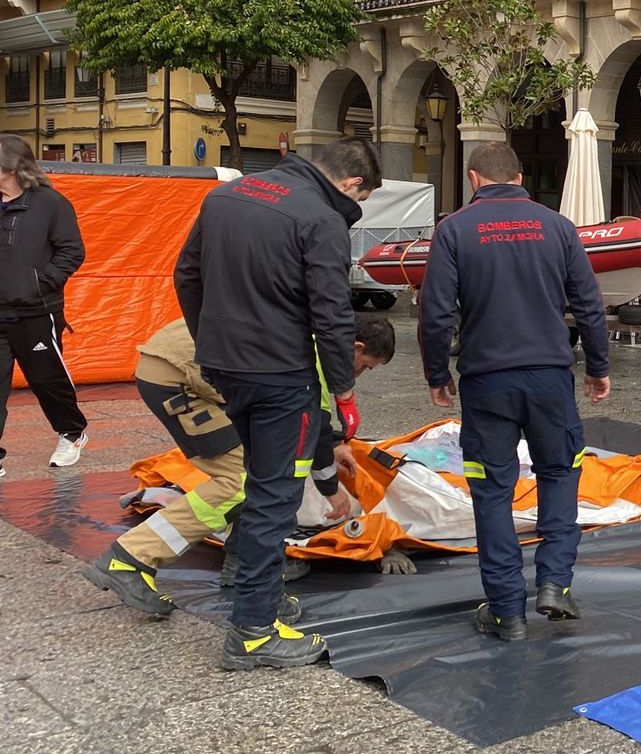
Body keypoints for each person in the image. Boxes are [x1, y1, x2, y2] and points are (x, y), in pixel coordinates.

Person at [174, 137, 380, 671]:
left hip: (227, 366)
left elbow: (186, 274)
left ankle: (259, 598)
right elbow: (334, 315)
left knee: (261, 481)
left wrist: (210, 341)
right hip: (282, 378)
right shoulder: (320, 219)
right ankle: (253, 634)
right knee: (275, 498)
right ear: (352, 184)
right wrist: (344, 390)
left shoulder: (229, 195)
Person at [419, 141, 609, 642]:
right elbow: (589, 303)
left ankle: (507, 612)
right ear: (520, 179)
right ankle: (555, 584)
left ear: (474, 179)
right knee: (560, 474)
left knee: (492, 493)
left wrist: (438, 376)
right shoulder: (558, 227)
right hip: (550, 378)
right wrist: (598, 367)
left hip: (487, 383)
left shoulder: (454, 229)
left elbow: (435, 313)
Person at [81, 314, 396, 617]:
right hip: (178, 378)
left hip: (186, 368)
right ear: (355, 347)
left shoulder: (316, 334)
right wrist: (331, 489)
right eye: (364, 367)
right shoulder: (313, 349)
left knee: (260, 462)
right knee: (240, 481)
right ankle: (131, 557)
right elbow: (311, 419)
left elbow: (315, 415)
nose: (357, 376)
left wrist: (333, 443)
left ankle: (244, 558)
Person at [0, 135, 87, 477]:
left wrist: (41, 283)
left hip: (36, 312)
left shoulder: (51, 204)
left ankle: (71, 433)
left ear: (11, 167)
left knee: (47, 380)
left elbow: (72, 251)